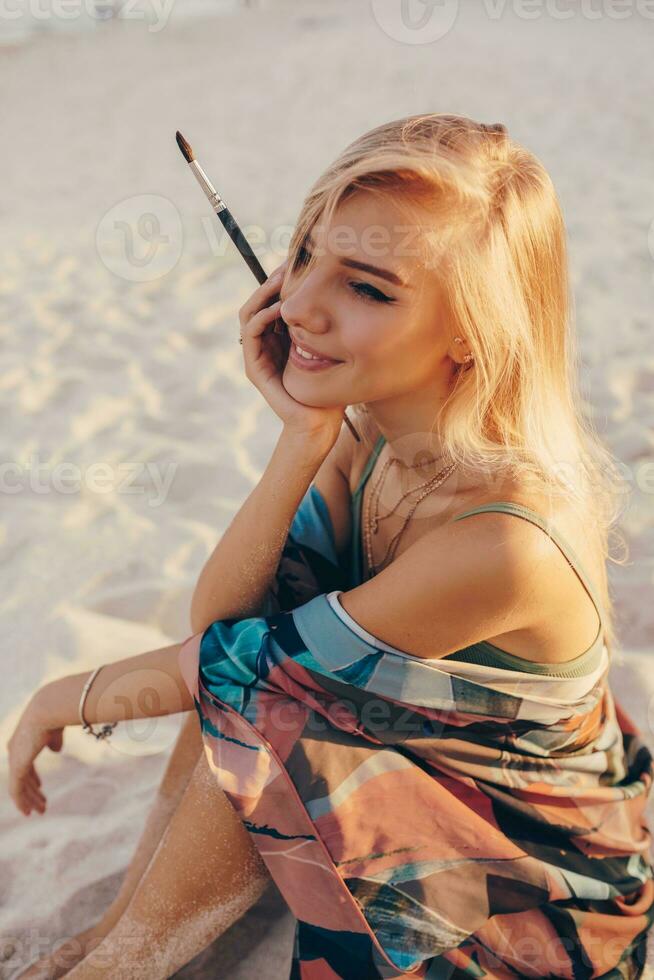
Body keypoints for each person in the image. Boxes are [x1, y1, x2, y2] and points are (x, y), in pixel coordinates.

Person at [8, 113, 654, 979]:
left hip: (537, 876)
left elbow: (246, 667)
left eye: (369, 289)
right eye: (305, 253)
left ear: (473, 328)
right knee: (259, 690)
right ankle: (118, 936)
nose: (301, 305)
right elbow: (228, 625)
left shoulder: (505, 542)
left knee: (272, 711)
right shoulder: (375, 436)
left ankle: (117, 966)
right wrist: (301, 440)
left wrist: (66, 696)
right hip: (415, 762)